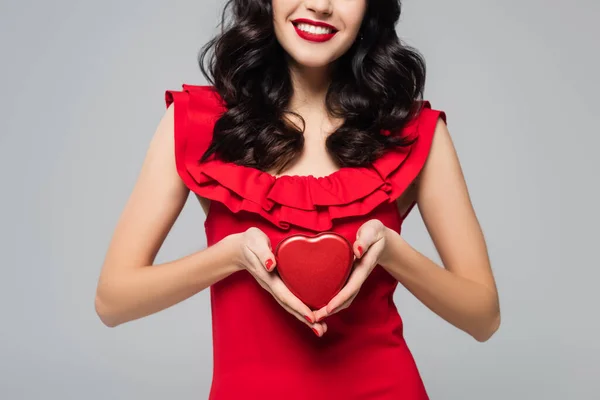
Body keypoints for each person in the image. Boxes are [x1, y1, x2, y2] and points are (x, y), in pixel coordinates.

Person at [95, 0, 500, 398]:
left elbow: (484, 318)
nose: (320, 5)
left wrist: (393, 252)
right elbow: (113, 300)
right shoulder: (198, 124)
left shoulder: (414, 132)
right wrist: (230, 256)